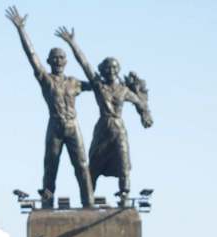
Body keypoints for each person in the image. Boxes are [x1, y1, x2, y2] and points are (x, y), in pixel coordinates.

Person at [6, 6, 94, 209]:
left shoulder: (74, 83)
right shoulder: (46, 80)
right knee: (50, 168)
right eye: (54, 58)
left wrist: (73, 44)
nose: (58, 61)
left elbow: (97, 84)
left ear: (66, 61)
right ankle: (47, 203)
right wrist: (21, 29)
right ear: (49, 61)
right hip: (54, 126)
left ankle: (88, 203)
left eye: (62, 57)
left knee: (82, 166)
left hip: (73, 126)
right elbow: (32, 56)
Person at [55, 27, 153, 206]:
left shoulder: (123, 90)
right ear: (103, 70)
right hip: (102, 129)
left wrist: (144, 115)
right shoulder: (98, 86)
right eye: (108, 68)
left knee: (124, 164)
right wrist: (72, 43)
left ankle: (124, 195)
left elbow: (140, 102)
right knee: (93, 166)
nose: (111, 70)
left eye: (114, 67)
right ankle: (88, 199)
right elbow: (84, 64)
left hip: (118, 129)